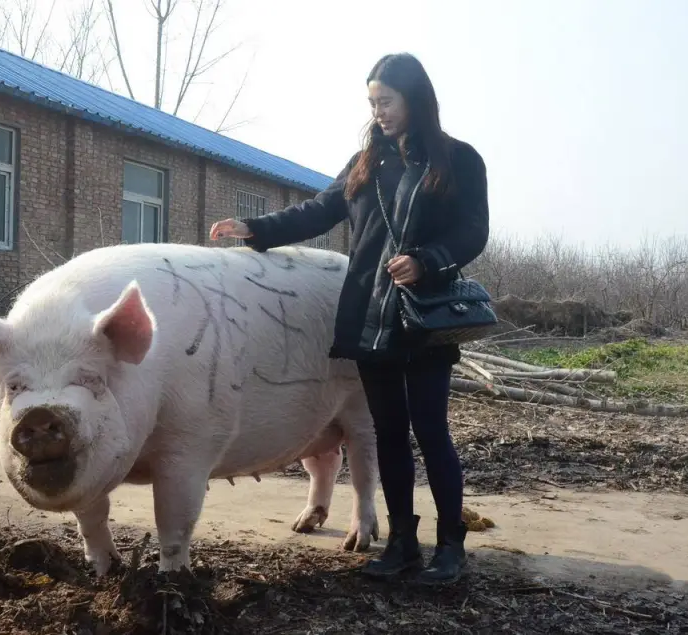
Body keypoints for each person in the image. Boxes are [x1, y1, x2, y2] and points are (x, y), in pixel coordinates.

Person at [209, 52, 489, 584]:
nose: (379, 112)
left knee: (431, 430)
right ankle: (403, 543)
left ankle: (451, 547)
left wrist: (428, 260)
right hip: (371, 317)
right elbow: (318, 209)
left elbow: (474, 231)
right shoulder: (369, 162)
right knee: (387, 432)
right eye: (372, 103)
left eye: (387, 101)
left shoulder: (458, 160)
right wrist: (255, 228)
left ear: (416, 99)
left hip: (424, 318)